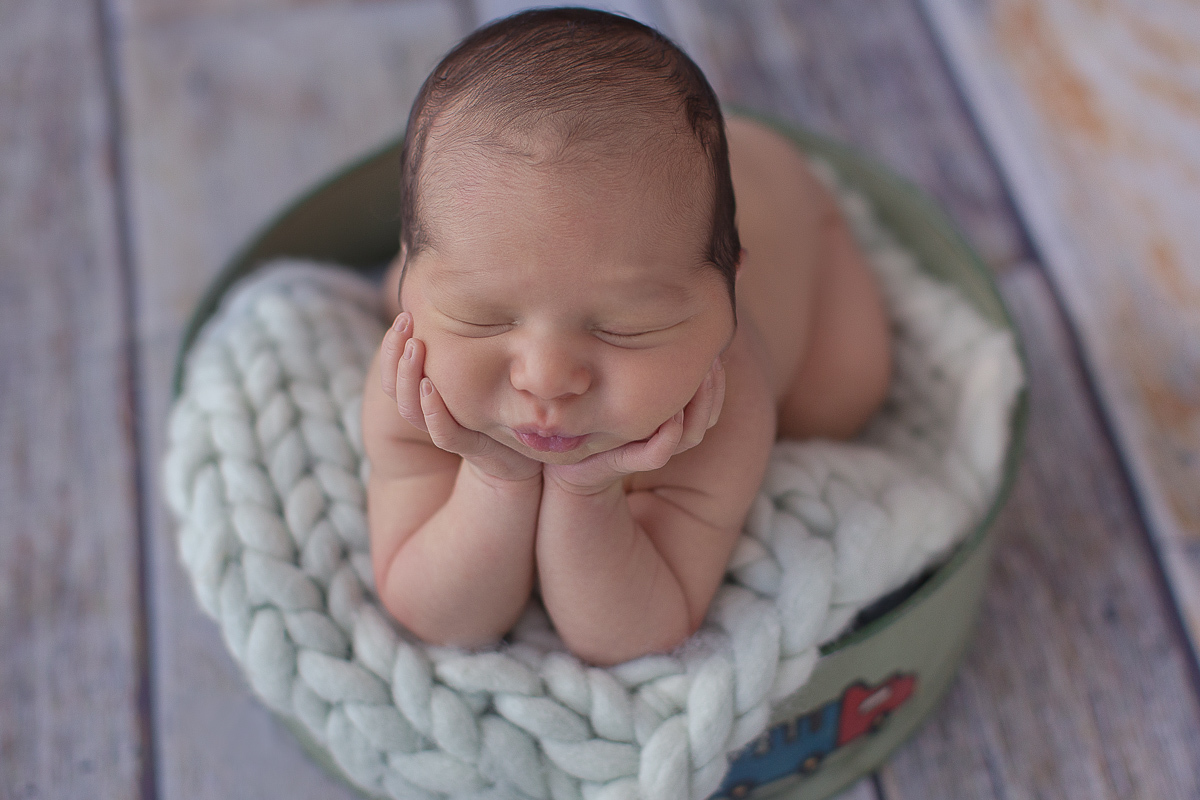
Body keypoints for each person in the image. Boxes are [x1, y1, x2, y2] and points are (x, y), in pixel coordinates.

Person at [361, 8, 891, 666]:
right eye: (485, 316)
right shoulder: (417, 380)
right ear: (413, 273)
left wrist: (586, 491)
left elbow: (633, 634)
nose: (547, 378)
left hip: (787, 203)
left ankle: (808, 219)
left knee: (840, 393)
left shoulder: (721, 407)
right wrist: (497, 477)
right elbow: (437, 614)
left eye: (623, 327)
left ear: (726, 295)